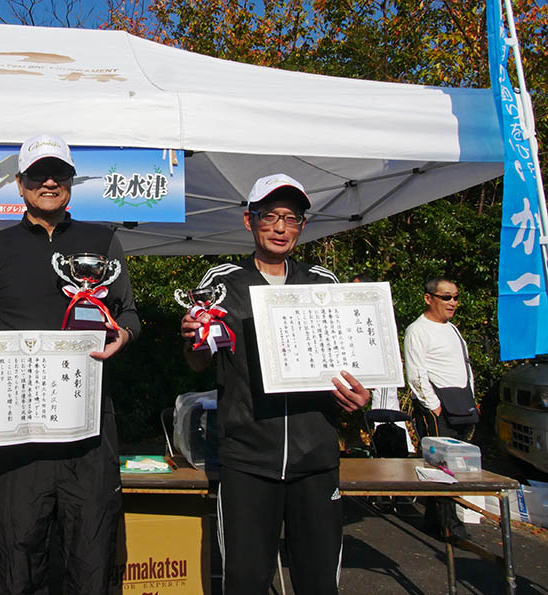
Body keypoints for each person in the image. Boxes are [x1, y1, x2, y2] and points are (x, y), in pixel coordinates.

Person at [0, 133, 140, 594]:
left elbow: (129, 314)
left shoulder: (102, 241)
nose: (49, 182)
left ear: (71, 182)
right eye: (37, 175)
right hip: (18, 433)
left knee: (90, 559)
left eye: (58, 174)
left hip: (88, 429)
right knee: (17, 558)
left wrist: (124, 335)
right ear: (20, 184)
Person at [180, 174, 369, 595]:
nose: (281, 228)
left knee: (319, 583)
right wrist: (191, 337)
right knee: (246, 581)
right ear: (249, 220)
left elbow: (351, 362)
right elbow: (197, 362)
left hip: (316, 460)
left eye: (291, 218)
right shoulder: (221, 284)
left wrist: (360, 394)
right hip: (247, 460)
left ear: (302, 225)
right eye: (270, 216)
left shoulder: (322, 283)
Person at [404, 277, 476, 537]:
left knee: (457, 465)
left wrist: (470, 396)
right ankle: (449, 525)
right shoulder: (418, 330)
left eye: (455, 297)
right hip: (437, 408)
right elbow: (416, 372)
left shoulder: (453, 329)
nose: (452, 302)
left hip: (460, 404)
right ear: (429, 298)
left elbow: (464, 365)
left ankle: (436, 521)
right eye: (446, 297)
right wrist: (433, 406)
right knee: (441, 466)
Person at [352, 273, 414, 454]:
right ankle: (386, 445)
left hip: (383, 369)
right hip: (365, 366)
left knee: (385, 409)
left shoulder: (378, 310)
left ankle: (399, 448)